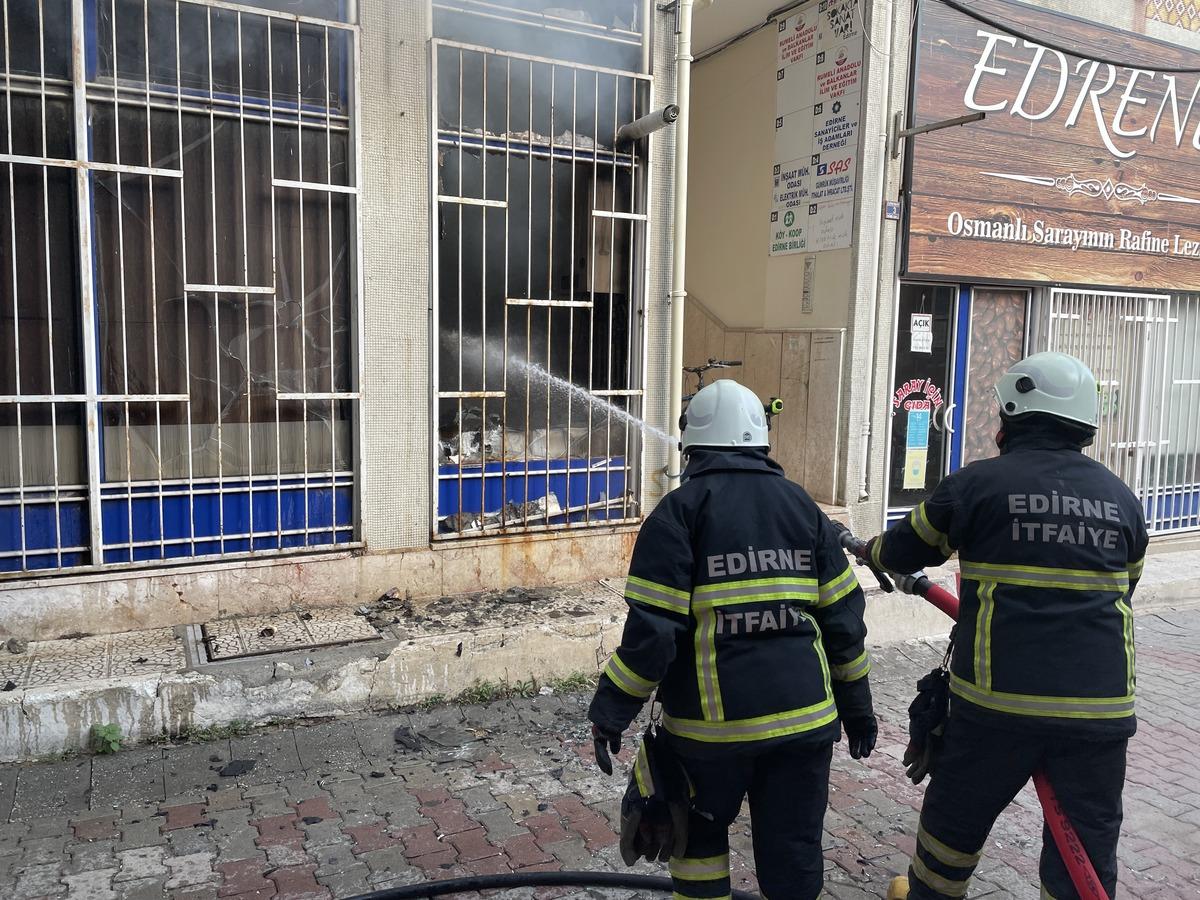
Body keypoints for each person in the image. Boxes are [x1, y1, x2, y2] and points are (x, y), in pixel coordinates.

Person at [868, 352, 1148, 900]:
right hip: (1100, 715)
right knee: (1085, 858)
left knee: (952, 830)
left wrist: (869, 549)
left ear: (1012, 417)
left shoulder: (975, 486)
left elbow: (899, 550)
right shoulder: (1124, 501)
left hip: (998, 709)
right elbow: (1124, 591)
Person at [588, 378, 878, 900]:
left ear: (692, 446)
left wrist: (611, 708)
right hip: (805, 729)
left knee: (698, 847)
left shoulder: (677, 514)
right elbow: (844, 624)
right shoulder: (803, 508)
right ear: (760, 442)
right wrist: (858, 709)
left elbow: (654, 635)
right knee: (793, 855)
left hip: (710, 739)